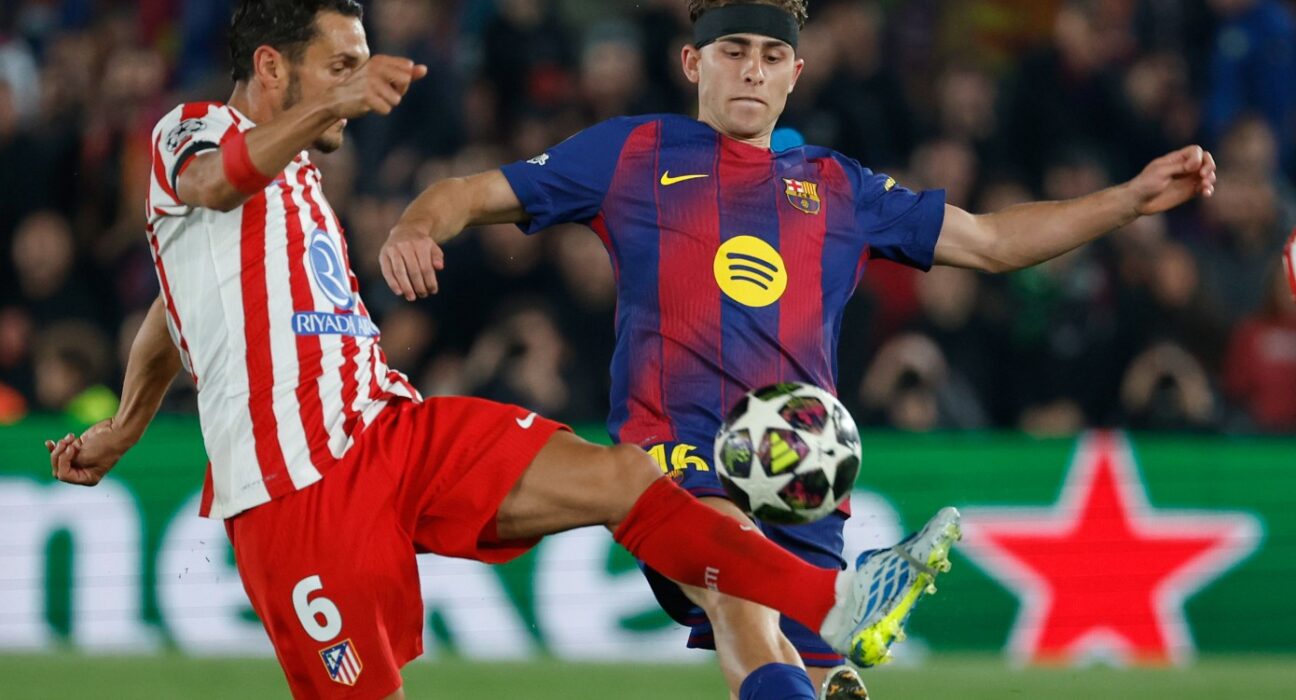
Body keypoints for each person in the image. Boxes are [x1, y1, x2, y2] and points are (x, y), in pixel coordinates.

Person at [43, 2, 957, 698]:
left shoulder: (301, 177)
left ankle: (834, 601)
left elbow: (177, 307)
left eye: (362, 67)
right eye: (342, 67)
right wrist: (129, 422)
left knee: (626, 477)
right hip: (296, 492)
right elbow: (209, 187)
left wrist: (124, 422)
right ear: (274, 67)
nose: (361, 87)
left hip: (391, 431)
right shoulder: (193, 130)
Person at [381, 1, 1217, 698]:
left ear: (795, 74)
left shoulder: (841, 187)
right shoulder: (631, 153)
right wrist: (418, 224)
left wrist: (1129, 199)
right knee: (742, 608)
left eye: (772, 55)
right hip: (678, 462)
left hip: (804, 475)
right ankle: (849, 600)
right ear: (692, 62)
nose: (752, 70)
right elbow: (470, 192)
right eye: (734, 51)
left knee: (804, 674)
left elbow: (993, 242)